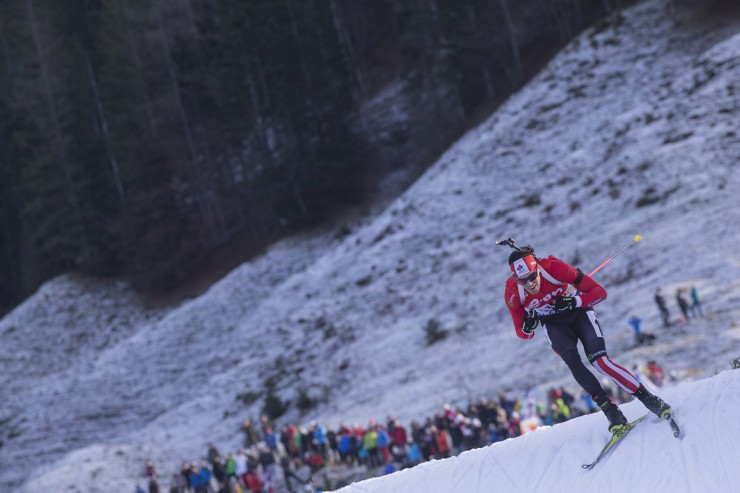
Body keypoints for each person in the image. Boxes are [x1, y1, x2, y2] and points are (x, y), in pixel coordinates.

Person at [503, 247, 673, 433]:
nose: (529, 283)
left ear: (537, 269)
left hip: (579, 313)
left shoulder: (554, 269)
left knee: (600, 362)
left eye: (532, 276)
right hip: (554, 325)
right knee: (573, 362)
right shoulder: (513, 293)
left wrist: (574, 301)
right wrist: (528, 327)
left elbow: (599, 292)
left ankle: (649, 399)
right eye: (522, 280)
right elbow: (522, 332)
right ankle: (611, 411)